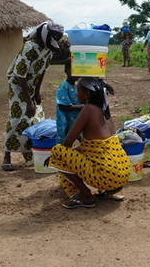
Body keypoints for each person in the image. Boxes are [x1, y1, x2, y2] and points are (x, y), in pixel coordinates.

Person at [48, 78, 130, 209]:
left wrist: (57, 160)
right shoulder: (105, 111)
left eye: (78, 90)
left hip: (106, 176)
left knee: (57, 152)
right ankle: (107, 192)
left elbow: (67, 143)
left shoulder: (89, 109)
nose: (76, 94)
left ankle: (85, 195)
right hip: (122, 175)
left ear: (87, 94)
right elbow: (96, 147)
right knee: (80, 153)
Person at [3, 21, 64, 171]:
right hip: (18, 85)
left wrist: (37, 92)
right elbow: (19, 75)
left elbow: (42, 71)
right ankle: (7, 156)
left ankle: (31, 156)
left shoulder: (48, 49)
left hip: (31, 85)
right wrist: (28, 102)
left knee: (37, 120)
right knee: (18, 119)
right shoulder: (30, 47)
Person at [55, 61, 83, 143]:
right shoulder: (64, 86)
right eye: (73, 69)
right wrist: (82, 107)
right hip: (66, 122)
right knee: (66, 142)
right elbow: (63, 106)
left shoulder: (78, 87)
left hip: (75, 122)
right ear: (66, 70)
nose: (76, 72)